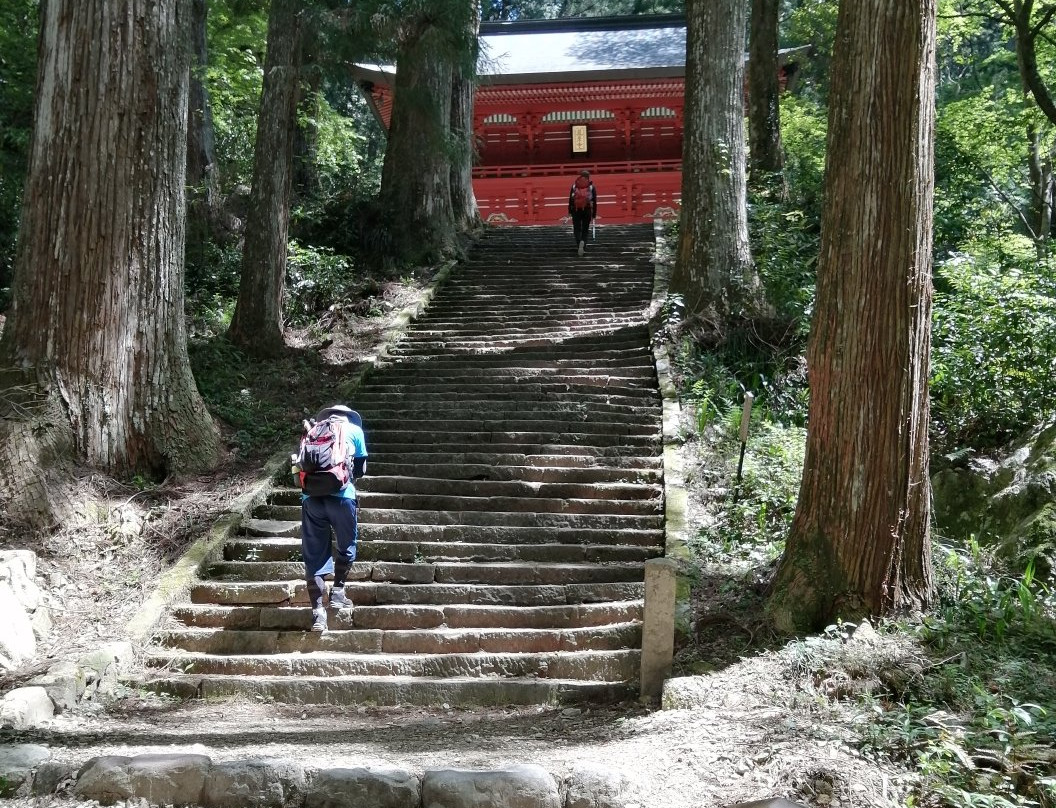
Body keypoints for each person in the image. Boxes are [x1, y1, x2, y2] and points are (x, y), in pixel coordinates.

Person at [299, 404, 368, 633]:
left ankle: (318, 614)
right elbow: (361, 469)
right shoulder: (354, 431)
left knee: (315, 555)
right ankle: (338, 592)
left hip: (311, 499)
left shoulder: (313, 430)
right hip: (342, 497)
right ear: (349, 417)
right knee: (346, 543)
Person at [568, 169, 597, 256]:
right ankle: (583, 244)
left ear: (580, 176)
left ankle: (579, 243)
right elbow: (594, 201)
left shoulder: (574, 186)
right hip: (587, 210)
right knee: (585, 229)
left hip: (576, 210)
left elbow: (570, 200)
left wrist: (569, 211)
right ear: (588, 177)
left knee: (577, 228)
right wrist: (594, 214)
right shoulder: (591, 187)